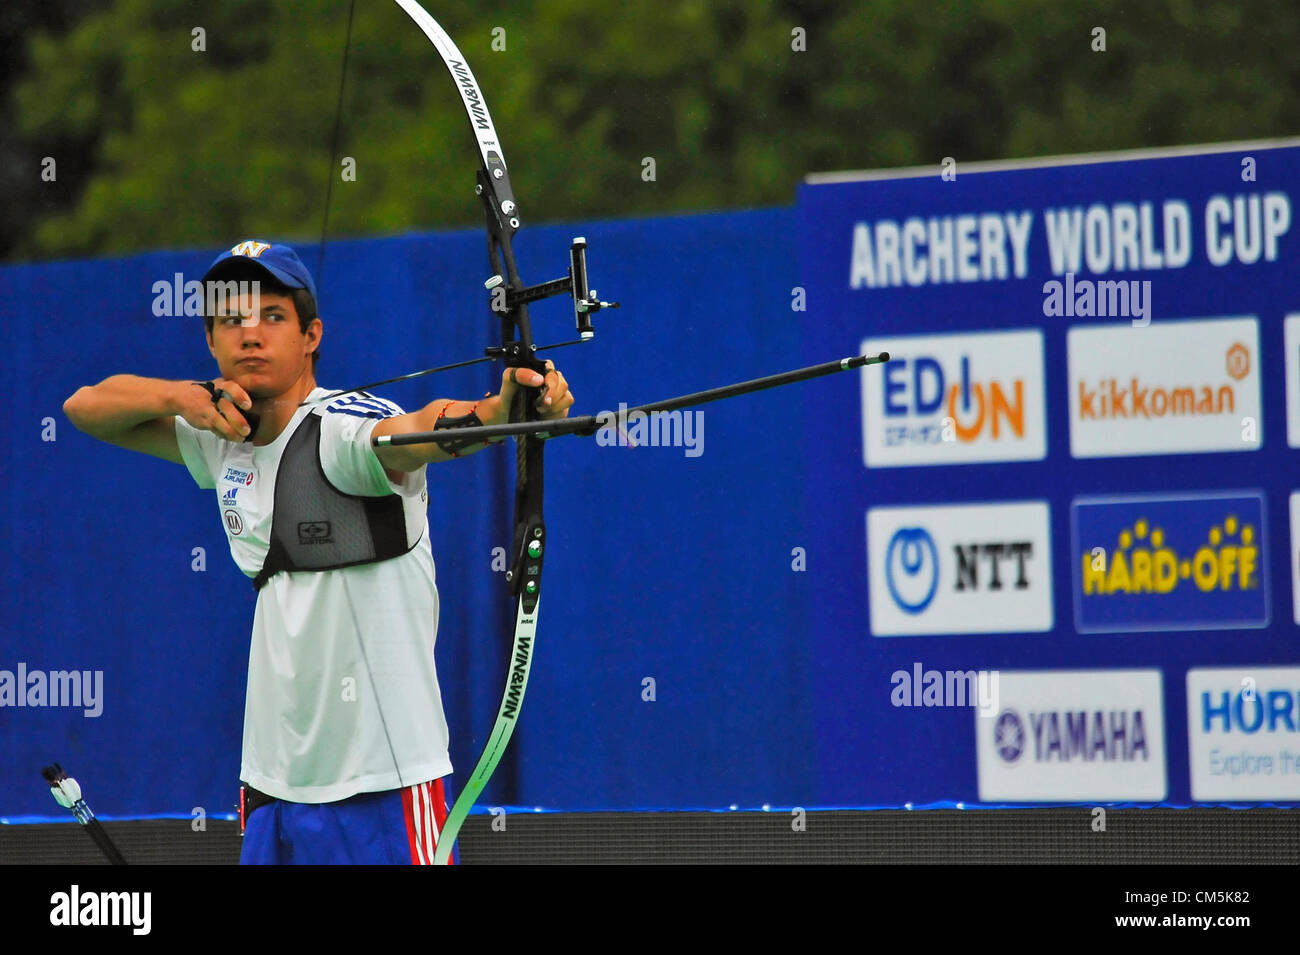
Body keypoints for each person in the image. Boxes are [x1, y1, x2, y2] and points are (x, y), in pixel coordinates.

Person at [62, 240, 573, 864]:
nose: (250, 334)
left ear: (311, 336)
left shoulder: (343, 428)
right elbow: (84, 408)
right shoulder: (221, 439)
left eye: (272, 317)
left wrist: (500, 411)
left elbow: (420, 429)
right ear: (212, 344)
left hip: (381, 784)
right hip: (271, 786)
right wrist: (178, 396)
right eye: (231, 320)